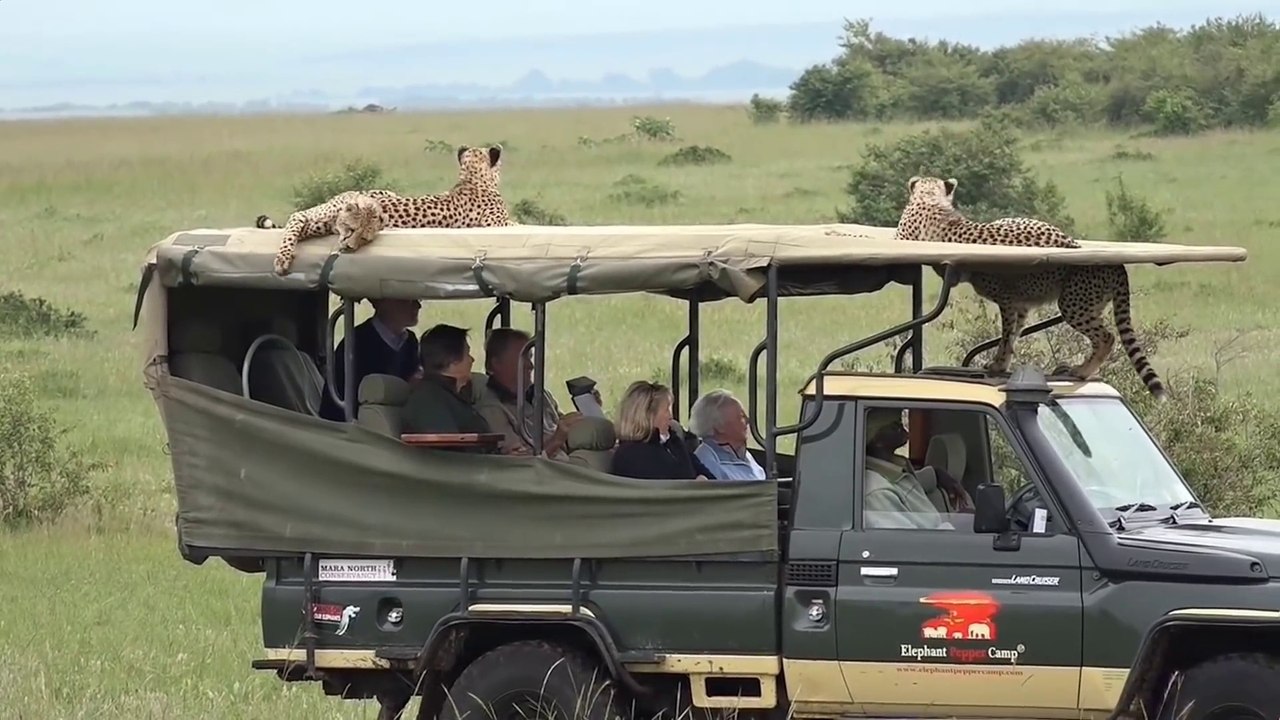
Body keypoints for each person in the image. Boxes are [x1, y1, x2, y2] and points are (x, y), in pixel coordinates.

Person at [475, 327, 588, 457]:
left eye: (530, 357)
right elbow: (519, 465)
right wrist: (556, 440)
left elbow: (563, 427)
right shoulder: (492, 410)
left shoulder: (540, 395)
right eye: (523, 358)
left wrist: (588, 408)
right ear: (497, 363)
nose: (531, 365)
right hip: (547, 473)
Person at [862, 407, 973, 529]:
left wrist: (939, 475)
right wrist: (958, 524)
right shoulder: (876, 494)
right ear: (876, 439)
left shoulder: (891, 470)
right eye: (895, 425)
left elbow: (908, 483)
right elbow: (911, 545)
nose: (903, 429)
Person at [320, 298, 423, 421]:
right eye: (407, 300)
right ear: (379, 302)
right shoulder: (357, 343)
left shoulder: (410, 341)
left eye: (417, 299)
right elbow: (336, 405)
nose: (418, 306)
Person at [401, 324, 492, 443]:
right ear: (453, 360)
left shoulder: (449, 395)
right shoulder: (428, 399)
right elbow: (447, 448)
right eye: (467, 354)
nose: (472, 360)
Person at [610, 381, 712, 480]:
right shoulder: (631, 455)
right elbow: (668, 489)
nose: (671, 416)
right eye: (667, 409)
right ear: (648, 415)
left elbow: (708, 476)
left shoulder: (672, 443)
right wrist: (698, 483)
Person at [687, 390, 766, 481]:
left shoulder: (742, 453)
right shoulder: (707, 460)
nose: (747, 420)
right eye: (741, 417)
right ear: (720, 427)